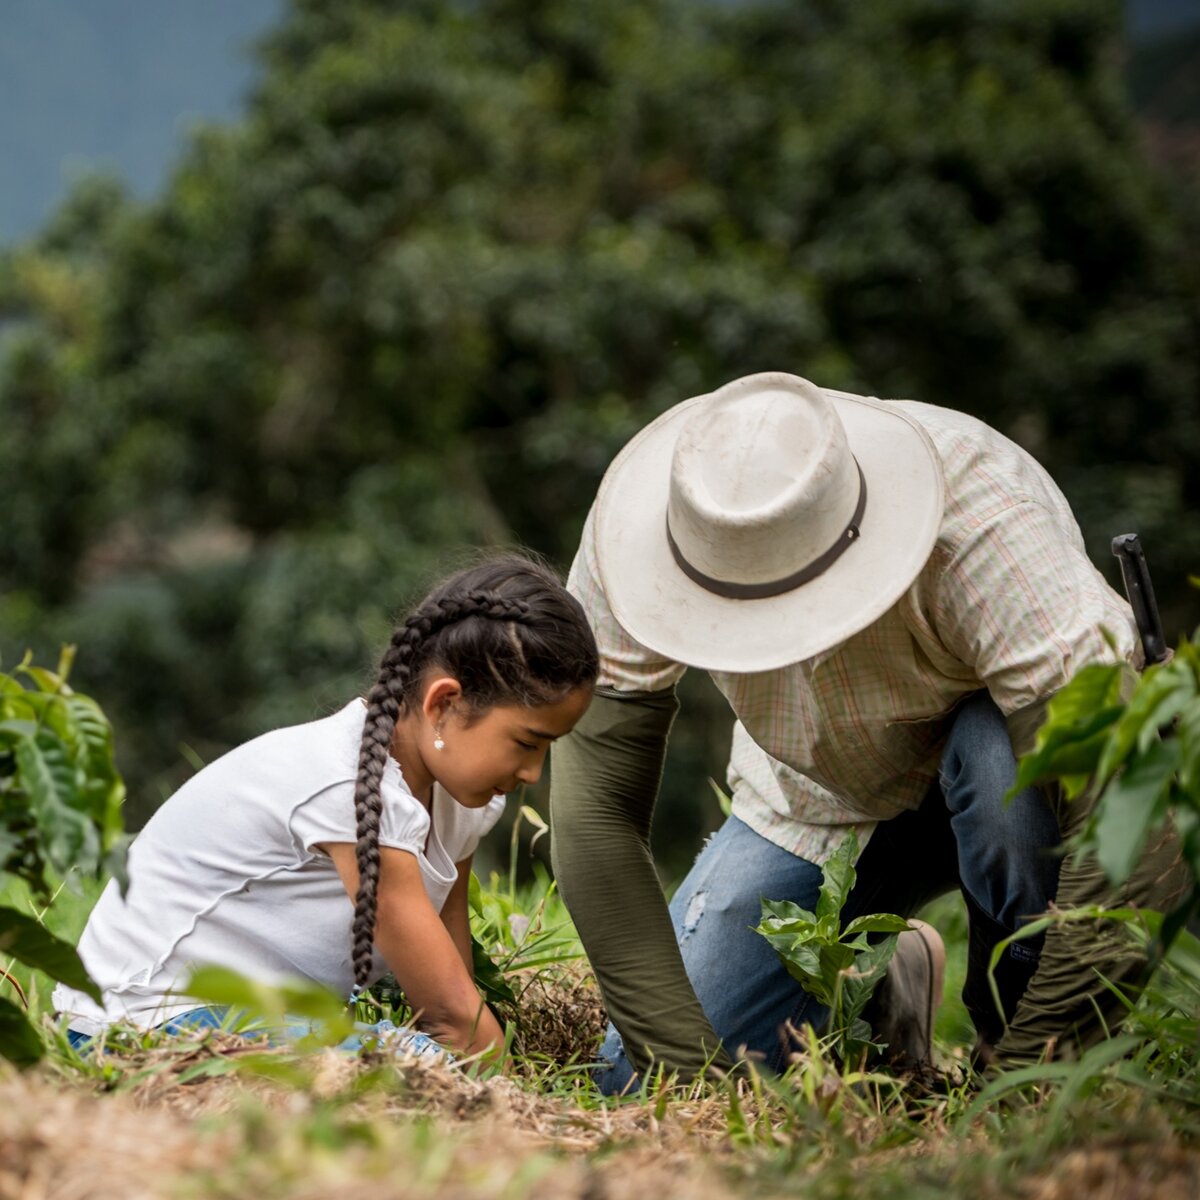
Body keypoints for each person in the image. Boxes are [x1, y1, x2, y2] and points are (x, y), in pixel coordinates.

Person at [549, 372, 1188, 1093]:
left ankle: (1014, 1032)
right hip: (812, 794)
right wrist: (688, 1083)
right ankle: (880, 987)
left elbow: (1137, 829)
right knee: (632, 1080)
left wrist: (1028, 1085)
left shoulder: (983, 525)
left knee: (995, 763)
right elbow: (594, 816)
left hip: (1008, 774)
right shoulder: (656, 524)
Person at [55, 555, 598, 1059]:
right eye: (527, 743)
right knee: (415, 1069)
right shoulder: (341, 786)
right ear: (445, 703)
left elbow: (453, 989)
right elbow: (454, 1020)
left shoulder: (462, 803)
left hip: (259, 1020)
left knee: (421, 1065)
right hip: (135, 1022)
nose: (532, 774)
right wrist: (517, 1119)